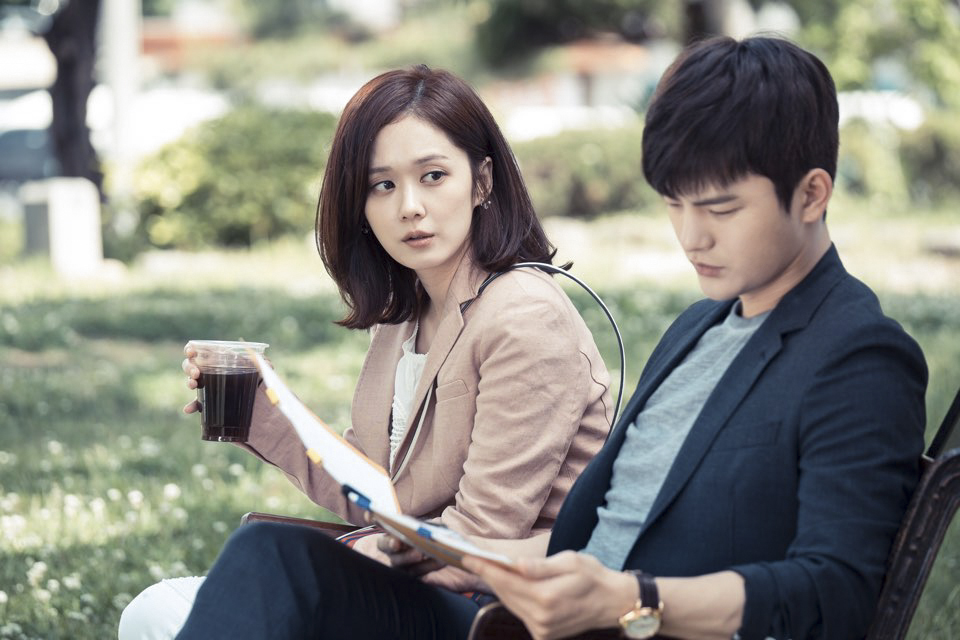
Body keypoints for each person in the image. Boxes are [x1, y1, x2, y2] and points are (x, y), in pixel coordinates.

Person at [171, 35, 928, 640]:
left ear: (812, 194)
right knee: (270, 568)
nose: (692, 236)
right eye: (675, 205)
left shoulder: (858, 356)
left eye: (721, 209)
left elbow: (838, 591)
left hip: (604, 628)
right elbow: (589, 537)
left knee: (274, 565)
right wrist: (452, 555)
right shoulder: (699, 327)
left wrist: (632, 599)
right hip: (530, 611)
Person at [118, 65, 612, 639]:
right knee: (154, 610)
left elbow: (483, 535)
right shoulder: (404, 321)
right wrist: (262, 408)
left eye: (433, 176)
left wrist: (360, 553)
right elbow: (376, 496)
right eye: (383, 186)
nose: (410, 206)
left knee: (270, 554)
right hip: (415, 589)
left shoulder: (524, 314)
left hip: (496, 608)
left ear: (482, 182)